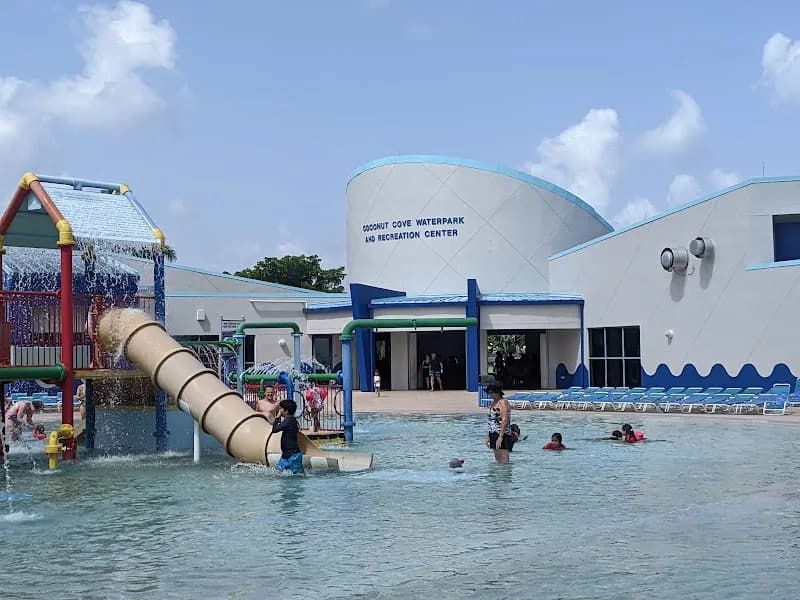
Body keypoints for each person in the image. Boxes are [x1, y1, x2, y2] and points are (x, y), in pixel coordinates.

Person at [271, 399, 304, 476]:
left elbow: (274, 430)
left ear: (286, 411)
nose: (280, 410)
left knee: (298, 476)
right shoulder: (292, 420)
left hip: (293, 456)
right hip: (286, 455)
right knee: (277, 474)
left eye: (281, 408)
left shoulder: (288, 422)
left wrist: (277, 417)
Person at [486, 384, 512, 463]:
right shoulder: (493, 402)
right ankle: (498, 474)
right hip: (493, 431)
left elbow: (505, 420)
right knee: (497, 456)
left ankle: (505, 474)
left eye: (492, 393)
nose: (490, 395)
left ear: (497, 392)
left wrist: (500, 437)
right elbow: (491, 420)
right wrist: (488, 435)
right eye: (489, 393)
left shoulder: (503, 402)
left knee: (503, 457)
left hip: (502, 433)